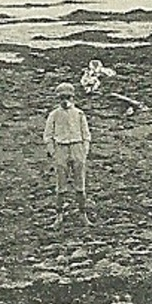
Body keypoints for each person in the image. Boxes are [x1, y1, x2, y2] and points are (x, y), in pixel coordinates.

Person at [43, 82, 92, 224]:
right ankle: (59, 215)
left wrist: (84, 151)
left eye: (68, 97)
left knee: (80, 185)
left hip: (77, 147)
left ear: (73, 97)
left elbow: (86, 134)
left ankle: (83, 214)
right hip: (61, 149)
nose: (65, 101)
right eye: (61, 97)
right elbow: (48, 135)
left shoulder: (79, 114)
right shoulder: (54, 115)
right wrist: (54, 152)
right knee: (60, 185)